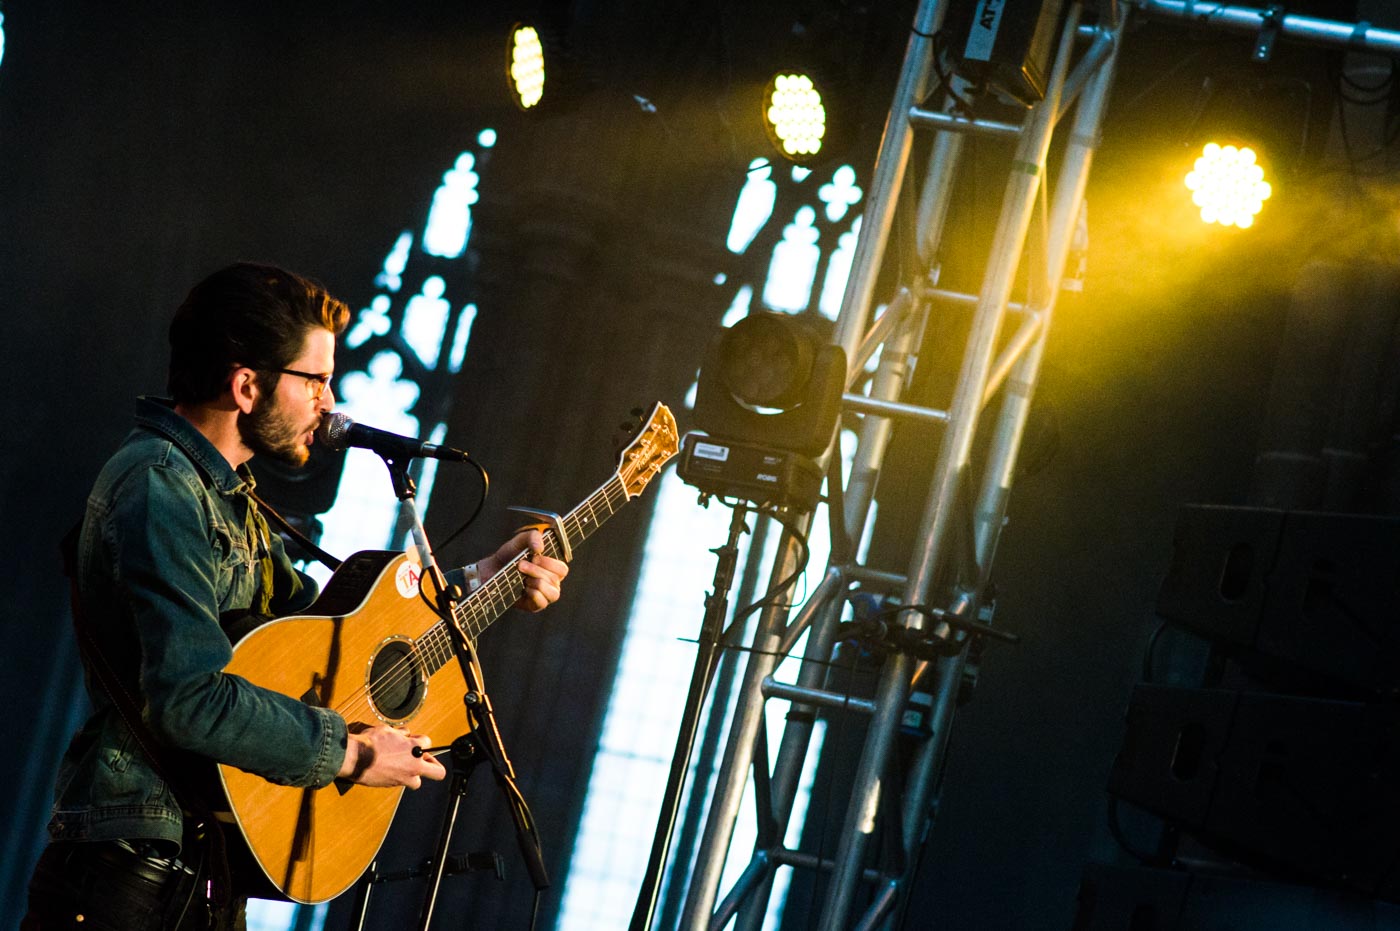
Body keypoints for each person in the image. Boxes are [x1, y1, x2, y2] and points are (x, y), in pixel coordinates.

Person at [23, 263, 568, 929]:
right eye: (315, 380)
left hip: (202, 866)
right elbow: (189, 699)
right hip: (128, 880)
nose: (330, 404)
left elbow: (328, 635)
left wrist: (481, 580)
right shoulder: (160, 486)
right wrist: (355, 753)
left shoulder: (229, 496)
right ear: (246, 386)